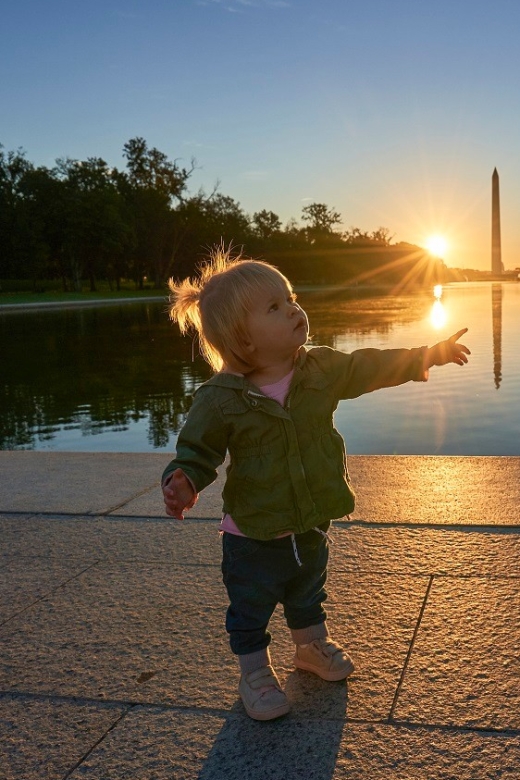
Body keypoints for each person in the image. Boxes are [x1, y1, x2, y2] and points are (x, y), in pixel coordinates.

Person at [161, 247, 470, 721]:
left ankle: (310, 648)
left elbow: (367, 366)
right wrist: (182, 483)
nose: (293, 310)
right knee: (251, 607)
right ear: (242, 339)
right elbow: (197, 453)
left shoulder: (319, 370)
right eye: (274, 308)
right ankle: (255, 673)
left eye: (290, 299)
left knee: (308, 590)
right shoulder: (220, 399)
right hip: (253, 533)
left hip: (310, 518)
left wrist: (426, 355)